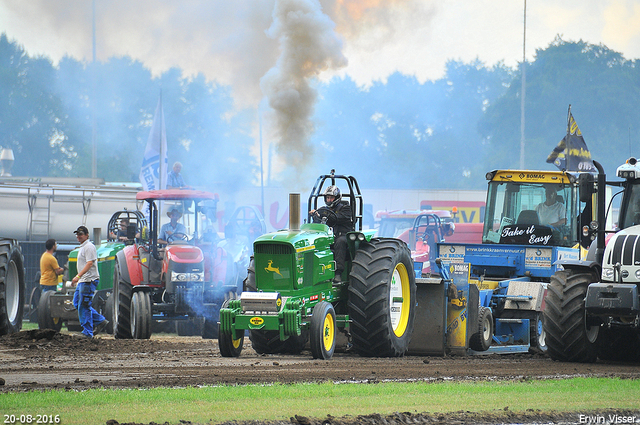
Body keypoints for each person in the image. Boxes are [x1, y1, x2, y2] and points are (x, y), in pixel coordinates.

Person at [309, 185, 354, 283]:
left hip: (343, 235)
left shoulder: (346, 208)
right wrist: (316, 216)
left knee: (340, 241)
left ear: (337, 198)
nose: (329, 200)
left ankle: (338, 273)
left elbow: (337, 218)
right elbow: (317, 224)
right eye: (327, 198)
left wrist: (323, 214)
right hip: (328, 235)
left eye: (331, 198)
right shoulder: (323, 209)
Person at [71, 226, 108, 338]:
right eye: (77, 234)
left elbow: (89, 263)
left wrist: (78, 276)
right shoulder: (83, 247)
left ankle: (87, 332)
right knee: (77, 302)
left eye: (81, 234)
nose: (78, 236)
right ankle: (100, 320)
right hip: (83, 280)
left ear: (87, 235)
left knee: (84, 305)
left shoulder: (89, 247)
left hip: (88, 280)